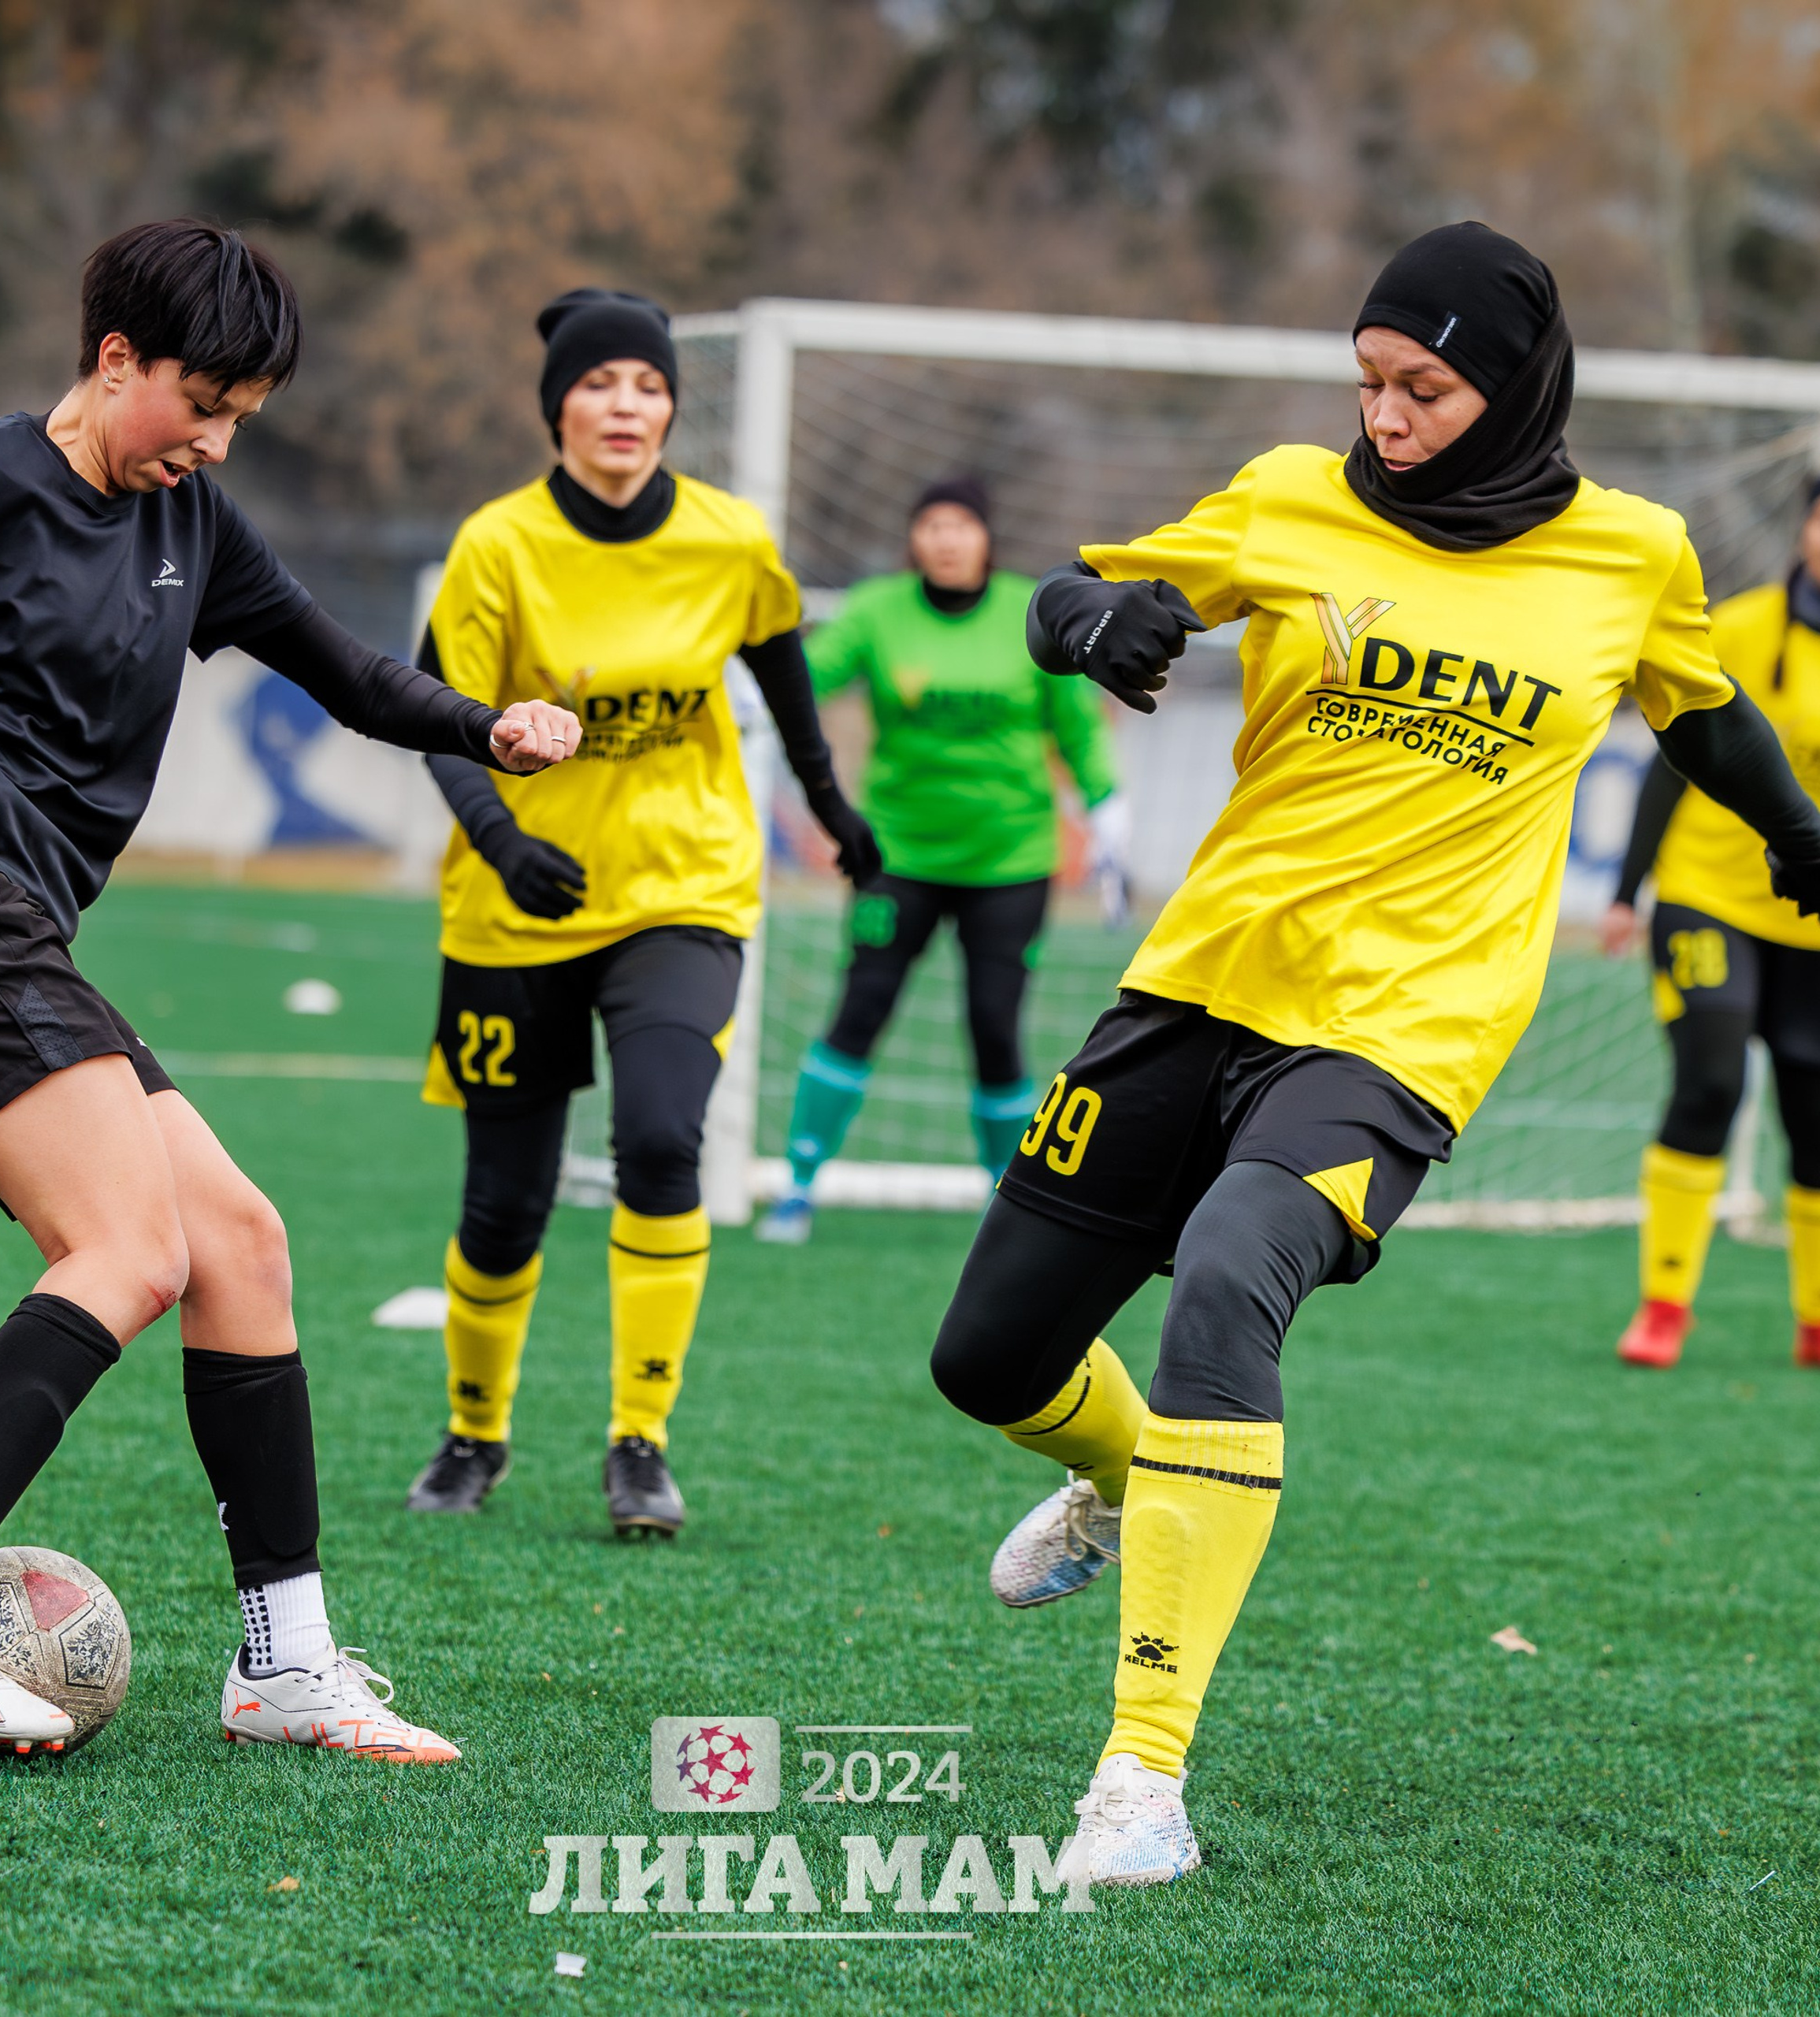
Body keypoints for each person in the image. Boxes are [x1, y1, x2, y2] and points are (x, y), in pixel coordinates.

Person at [926, 221, 1820, 1885]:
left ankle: (1139, 1778)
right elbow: (1076, 593)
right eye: (1366, 381)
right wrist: (1091, 631)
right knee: (984, 1358)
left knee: (1225, 1272)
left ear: (1512, 382)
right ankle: (1123, 1475)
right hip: (1201, 980)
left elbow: (1699, 710)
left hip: (1403, 1024)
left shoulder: (1630, 554)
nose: (1384, 415)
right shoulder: (1288, 496)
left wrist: (1792, 832)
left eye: (1420, 387)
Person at [0, 220, 580, 1763]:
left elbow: (350, 672)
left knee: (238, 1241)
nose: (216, 441)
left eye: (241, 417)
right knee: (128, 1244)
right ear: (113, 362)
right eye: (199, 403)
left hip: (4, 917)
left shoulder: (194, 526)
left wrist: (487, 726)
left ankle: (283, 1663)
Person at [403, 288, 878, 1536]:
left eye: (648, 387)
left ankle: (639, 1443)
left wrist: (831, 807)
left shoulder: (730, 540)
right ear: (557, 404)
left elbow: (781, 675)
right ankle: (473, 1436)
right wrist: (501, 839)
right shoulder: (496, 546)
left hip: (684, 887)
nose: (626, 406)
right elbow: (439, 716)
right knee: (504, 1201)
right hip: (515, 910)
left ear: (674, 406)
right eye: (600, 384)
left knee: (665, 1140)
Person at [755, 475, 1124, 1246]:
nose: (947, 539)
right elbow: (802, 677)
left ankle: (1007, 1202)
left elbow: (1077, 725)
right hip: (897, 854)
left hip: (1010, 859)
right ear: (913, 537)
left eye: (962, 524)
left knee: (995, 1025)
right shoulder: (875, 612)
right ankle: (796, 1184)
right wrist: (741, 689)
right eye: (932, 524)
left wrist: (1104, 802)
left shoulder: (1034, 610)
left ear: (986, 536)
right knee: (860, 1008)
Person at [1603, 479, 1820, 1368]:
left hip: (1809, 922)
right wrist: (1626, 890)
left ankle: (1811, 1320)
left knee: (1813, 1117)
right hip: (1707, 894)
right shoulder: (1732, 624)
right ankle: (1662, 1307)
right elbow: (1671, 760)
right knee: (1711, 1080)